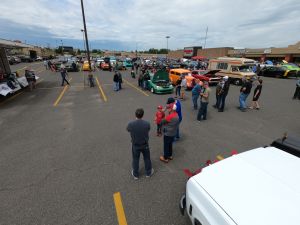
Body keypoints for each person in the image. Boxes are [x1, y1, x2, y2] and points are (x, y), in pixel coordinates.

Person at [127, 108, 154, 180]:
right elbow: (148, 129)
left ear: (135, 114)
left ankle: (135, 174)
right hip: (145, 144)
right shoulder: (147, 123)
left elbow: (128, 129)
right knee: (147, 158)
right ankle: (148, 173)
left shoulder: (131, 124)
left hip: (135, 145)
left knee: (135, 159)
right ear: (142, 115)